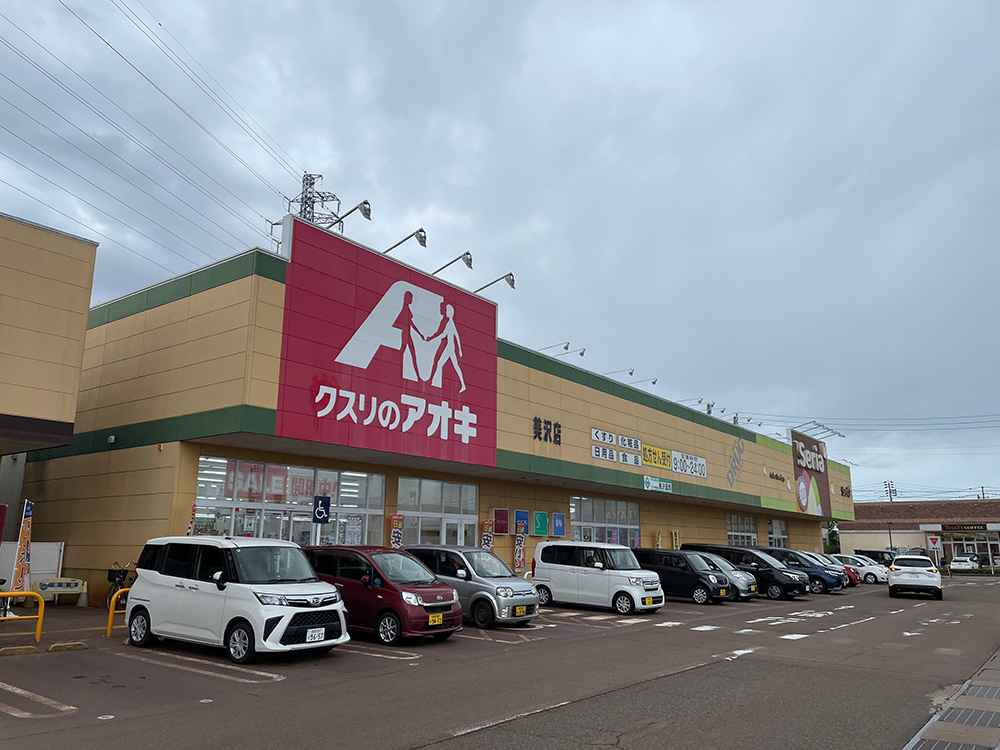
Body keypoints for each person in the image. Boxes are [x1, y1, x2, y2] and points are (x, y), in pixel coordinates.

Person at [429, 304, 466, 392]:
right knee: (454, 365)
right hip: (450, 347)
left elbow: (448, 335)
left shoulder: (450, 323)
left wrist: (431, 339)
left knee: (439, 363)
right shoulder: (450, 322)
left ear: (449, 312)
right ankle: (463, 385)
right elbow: (449, 335)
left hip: (449, 347)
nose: (445, 312)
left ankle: (432, 381)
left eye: (446, 311)